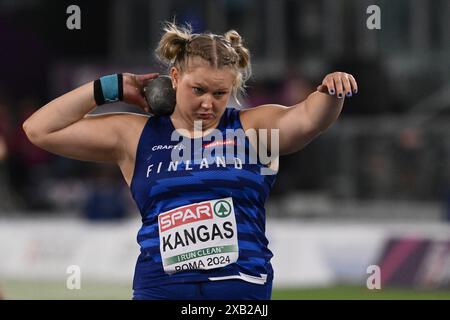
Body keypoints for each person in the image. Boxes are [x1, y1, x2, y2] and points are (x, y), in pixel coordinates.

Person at [22, 22, 358, 300]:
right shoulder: (136, 135)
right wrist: (111, 88)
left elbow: (309, 119)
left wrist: (331, 92)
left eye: (219, 93)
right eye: (197, 90)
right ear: (174, 77)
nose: (208, 104)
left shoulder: (254, 128)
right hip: (161, 288)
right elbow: (39, 130)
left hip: (240, 289)